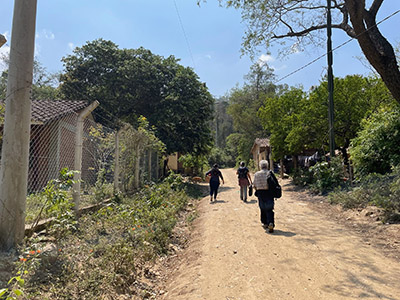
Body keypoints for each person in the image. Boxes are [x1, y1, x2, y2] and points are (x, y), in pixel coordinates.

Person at [253, 160, 279, 233]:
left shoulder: (256, 174)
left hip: (260, 193)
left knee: (262, 208)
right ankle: (270, 222)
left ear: (260, 166)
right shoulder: (270, 173)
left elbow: (254, 185)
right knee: (269, 209)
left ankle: (265, 223)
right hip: (269, 193)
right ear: (267, 166)